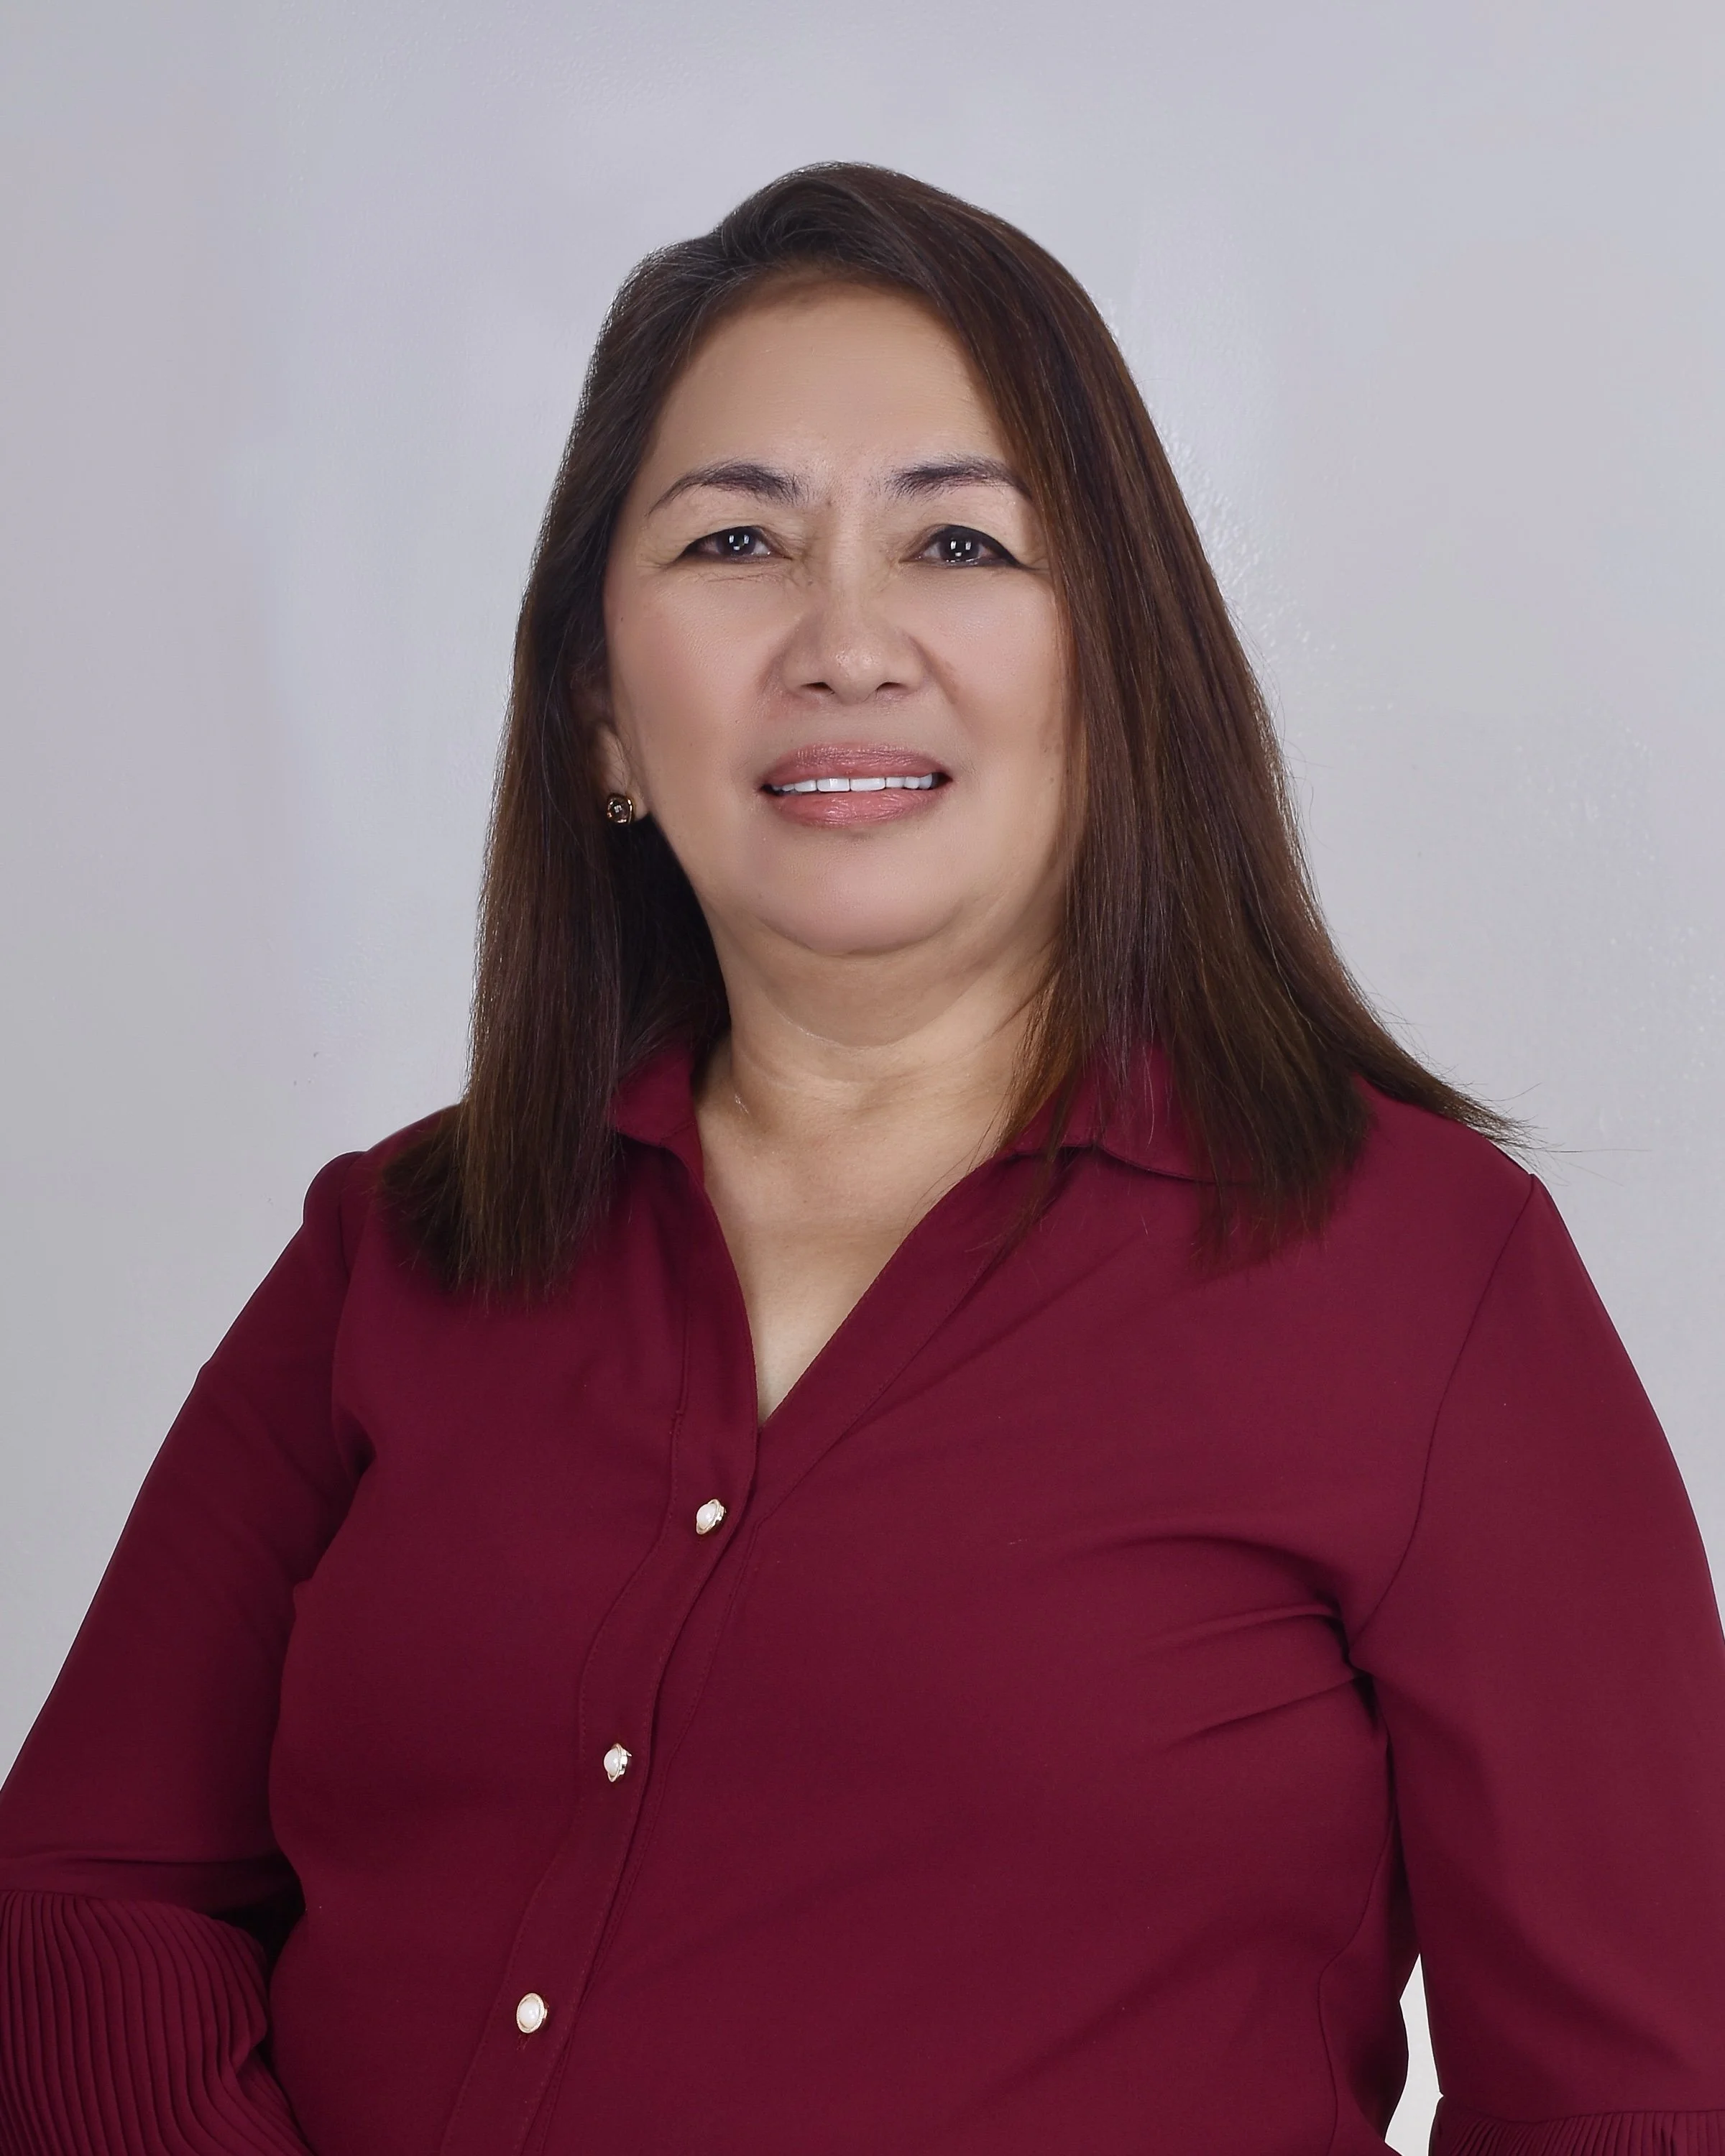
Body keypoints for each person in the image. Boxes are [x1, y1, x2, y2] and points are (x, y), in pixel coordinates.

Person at [1, 162, 1721, 2156]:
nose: (845, 640)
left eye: (962, 544)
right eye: (737, 538)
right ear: (598, 720)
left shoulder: (1423, 1276)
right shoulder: (395, 1251)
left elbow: (1640, 2098)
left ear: (1116, 680)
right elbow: (86, 1899)